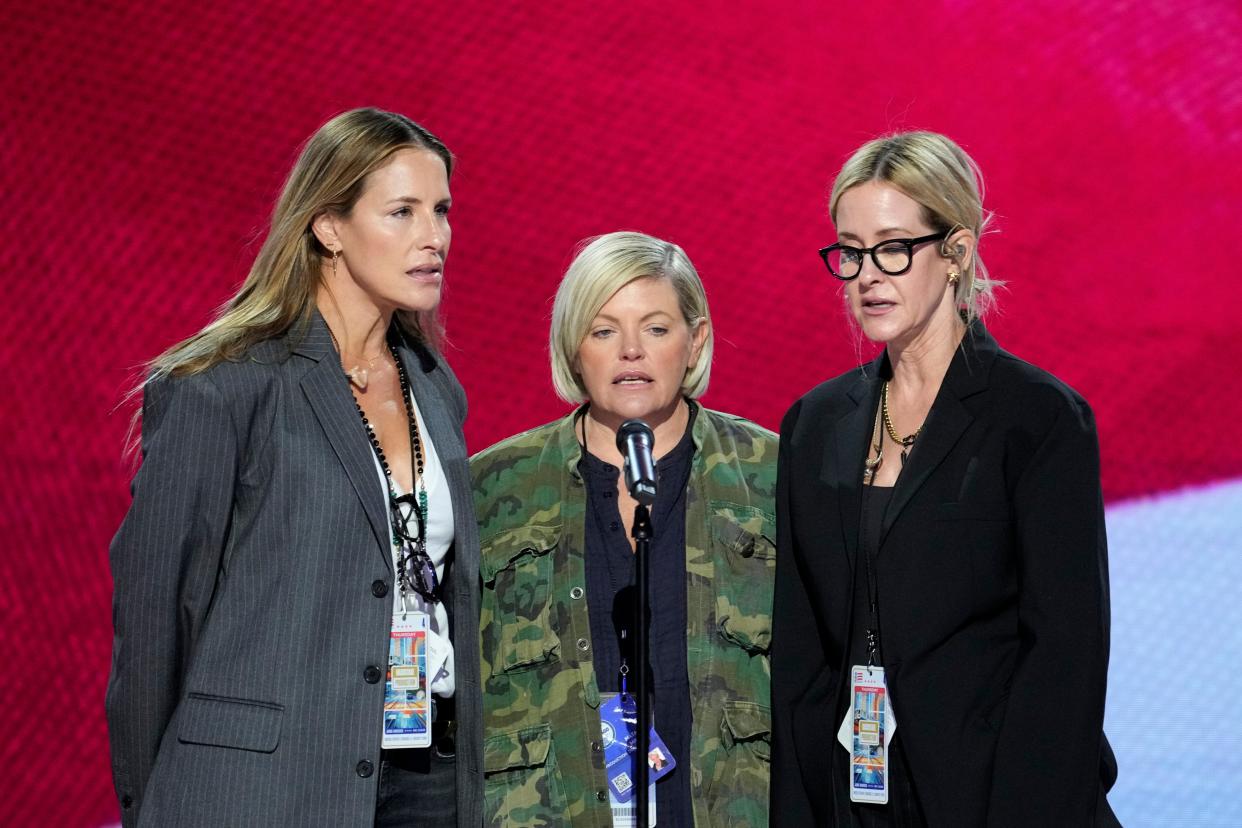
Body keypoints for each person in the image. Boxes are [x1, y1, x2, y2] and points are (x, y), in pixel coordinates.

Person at [106, 108, 482, 827]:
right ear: (329, 226)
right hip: (263, 787)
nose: (434, 237)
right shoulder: (222, 384)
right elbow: (157, 618)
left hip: (421, 778)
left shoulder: (433, 385)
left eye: (441, 211)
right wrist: (149, 802)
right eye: (401, 212)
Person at [770, 131, 1120, 827]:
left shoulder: (1037, 419)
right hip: (857, 796)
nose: (868, 274)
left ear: (956, 252)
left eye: (894, 247)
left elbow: (1064, 660)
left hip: (995, 796)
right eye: (850, 250)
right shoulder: (814, 423)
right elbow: (802, 658)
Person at [472, 231, 777, 827]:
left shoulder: (772, 475)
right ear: (572, 346)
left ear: (696, 342)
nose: (630, 351)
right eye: (604, 330)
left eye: (657, 329)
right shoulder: (492, 487)